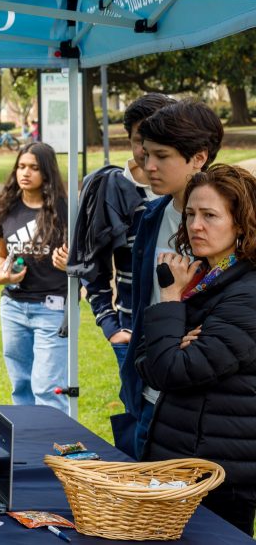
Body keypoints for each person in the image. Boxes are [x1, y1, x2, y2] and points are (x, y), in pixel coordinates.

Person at [135, 164, 256, 536]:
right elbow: (149, 360)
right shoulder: (206, 277)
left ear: (241, 223)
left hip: (220, 474)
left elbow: (172, 369)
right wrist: (172, 341)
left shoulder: (247, 294)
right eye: (190, 214)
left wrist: (169, 301)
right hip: (186, 461)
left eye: (210, 215)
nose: (195, 225)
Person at [120, 100, 223, 458]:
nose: (148, 166)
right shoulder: (151, 215)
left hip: (201, 410)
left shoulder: (232, 225)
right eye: (145, 154)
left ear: (198, 157)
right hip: (148, 395)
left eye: (161, 156)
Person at [73, 94, 176, 368]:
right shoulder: (113, 190)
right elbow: (92, 265)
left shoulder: (193, 193)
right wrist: (110, 324)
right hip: (131, 336)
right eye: (139, 140)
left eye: (158, 140)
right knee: (135, 411)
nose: (146, 150)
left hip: (184, 333)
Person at [0, 142, 69, 413]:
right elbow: (0, 254)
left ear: (47, 173)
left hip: (51, 309)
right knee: (21, 385)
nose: (25, 173)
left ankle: (57, 446)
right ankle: (29, 446)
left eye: (34, 168)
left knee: (48, 387)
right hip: (13, 308)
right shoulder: (6, 208)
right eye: (21, 166)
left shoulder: (65, 212)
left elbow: (85, 261)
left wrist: (69, 264)